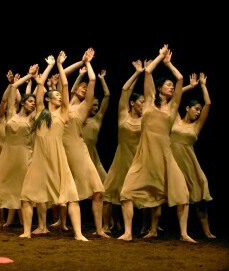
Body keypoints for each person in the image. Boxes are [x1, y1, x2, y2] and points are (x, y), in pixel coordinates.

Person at [118, 44, 196, 243]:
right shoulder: (149, 102)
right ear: (159, 88)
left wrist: (169, 63)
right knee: (126, 192)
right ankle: (127, 232)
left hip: (164, 156)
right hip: (144, 155)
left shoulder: (173, 107)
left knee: (182, 193)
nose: (171, 87)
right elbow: (149, 71)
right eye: (167, 85)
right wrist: (160, 57)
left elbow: (179, 79)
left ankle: (184, 233)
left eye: (171, 86)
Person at [20, 51, 88, 241]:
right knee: (27, 195)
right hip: (40, 158)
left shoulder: (64, 113)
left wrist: (60, 65)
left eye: (60, 95)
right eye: (56, 95)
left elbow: (65, 84)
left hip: (58, 158)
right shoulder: (41, 110)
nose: (59, 97)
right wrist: (49, 65)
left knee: (71, 196)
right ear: (48, 99)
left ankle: (79, 234)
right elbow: (40, 85)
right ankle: (26, 231)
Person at [62, 48, 109, 238]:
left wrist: (88, 63)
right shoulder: (63, 103)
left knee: (97, 190)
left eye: (85, 89)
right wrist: (80, 62)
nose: (83, 89)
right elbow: (64, 74)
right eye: (80, 87)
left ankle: (99, 230)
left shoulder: (83, 108)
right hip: (61, 150)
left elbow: (92, 80)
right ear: (74, 89)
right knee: (67, 192)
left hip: (79, 150)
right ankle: (56, 225)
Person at [0, 64, 38, 230]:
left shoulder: (32, 119)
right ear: (22, 103)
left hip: (25, 157)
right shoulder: (10, 114)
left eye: (34, 102)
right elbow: (14, 87)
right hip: (7, 156)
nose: (33, 104)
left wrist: (36, 80)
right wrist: (28, 75)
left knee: (24, 192)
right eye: (30, 101)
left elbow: (40, 96)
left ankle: (26, 226)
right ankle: (0, 222)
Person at [102, 60, 145, 233]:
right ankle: (107, 225)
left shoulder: (146, 119)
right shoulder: (123, 115)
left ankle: (146, 227)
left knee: (142, 193)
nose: (144, 104)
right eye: (141, 101)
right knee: (110, 193)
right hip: (121, 158)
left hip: (138, 158)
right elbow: (125, 91)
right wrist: (137, 73)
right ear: (133, 103)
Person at [171, 72, 215, 238]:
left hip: (190, 164)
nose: (198, 112)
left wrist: (203, 85)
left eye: (199, 110)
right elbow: (176, 95)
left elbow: (208, 104)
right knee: (171, 195)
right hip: (173, 162)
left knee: (199, 195)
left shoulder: (196, 127)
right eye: (195, 109)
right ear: (187, 108)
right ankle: (153, 229)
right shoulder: (174, 120)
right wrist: (190, 86)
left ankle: (207, 231)